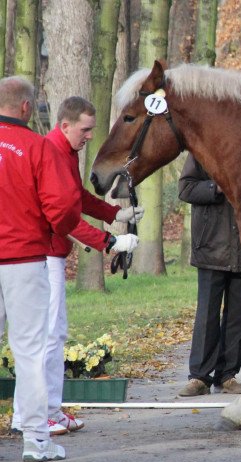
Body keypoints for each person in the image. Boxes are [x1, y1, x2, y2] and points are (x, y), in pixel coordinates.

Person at [11, 96, 143, 436]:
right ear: (65, 125)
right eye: (84, 130)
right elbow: (62, 216)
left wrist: (115, 214)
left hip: (50, 255)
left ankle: (49, 408)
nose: (89, 137)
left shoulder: (65, 153)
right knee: (44, 338)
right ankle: (30, 414)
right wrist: (108, 242)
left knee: (54, 335)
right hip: (45, 255)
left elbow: (77, 199)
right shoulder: (50, 152)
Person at [0, 76, 81, 462]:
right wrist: (54, 228)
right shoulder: (35, 146)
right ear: (26, 107)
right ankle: (36, 440)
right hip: (24, 259)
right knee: (30, 351)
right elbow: (64, 205)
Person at [178, 154, 241, 396]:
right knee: (207, 315)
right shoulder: (202, 150)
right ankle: (199, 377)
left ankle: (227, 375)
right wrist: (218, 186)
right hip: (211, 247)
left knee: (239, 317)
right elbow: (185, 188)